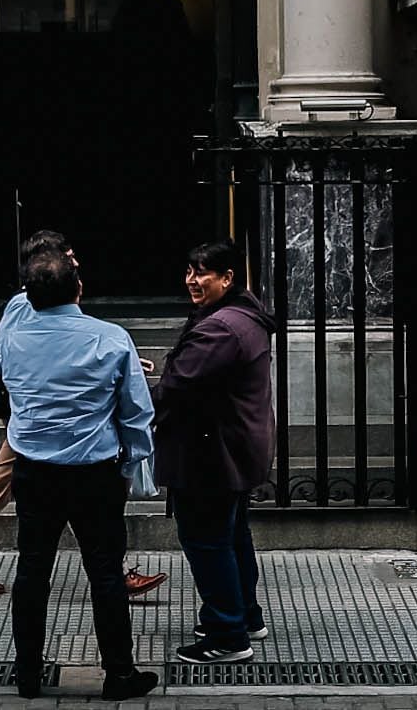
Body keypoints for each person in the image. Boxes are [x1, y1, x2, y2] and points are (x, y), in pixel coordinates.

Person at [0, 235, 164, 604]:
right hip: (38, 415)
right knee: (19, 487)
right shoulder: (25, 304)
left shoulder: (58, 311)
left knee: (6, 487)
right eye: (68, 256)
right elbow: (1, 357)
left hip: (36, 414)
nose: (75, 263)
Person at [0, 237, 161, 699]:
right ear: (78, 289)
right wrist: (131, 461)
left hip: (33, 468)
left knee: (32, 569)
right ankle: (119, 673)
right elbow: (135, 412)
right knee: (105, 572)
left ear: (29, 296)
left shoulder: (12, 339)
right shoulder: (109, 338)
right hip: (94, 471)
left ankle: (27, 673)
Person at [154, 240, 275, 666]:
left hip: (211, 454)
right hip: (234, 447)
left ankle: (227, 633)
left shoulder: (220, 328)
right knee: (232, 536)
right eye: (189, 270)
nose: (192, 280)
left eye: (202, 272)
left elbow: (179, 387)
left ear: (228, 278)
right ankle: (244, 615)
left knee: (207, 541)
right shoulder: (243, 316)